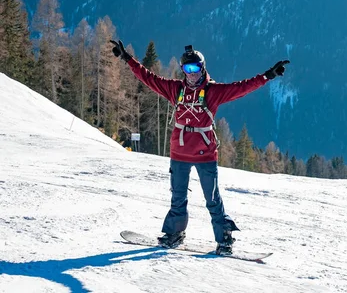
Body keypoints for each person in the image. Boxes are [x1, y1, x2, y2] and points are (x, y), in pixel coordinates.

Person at [110, 40, 289, 255]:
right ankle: (174, 234)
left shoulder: (213, 91)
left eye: (195, 68)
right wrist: (127, 58)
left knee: (212, 199)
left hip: (205, 155)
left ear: (202, 68)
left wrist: (268, 75)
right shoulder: (175, 89)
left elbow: (241, 88)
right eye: (187, 69)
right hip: (179, 153)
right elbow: (148, 78)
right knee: (177, 198)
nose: (191, 73)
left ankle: (224, 240)